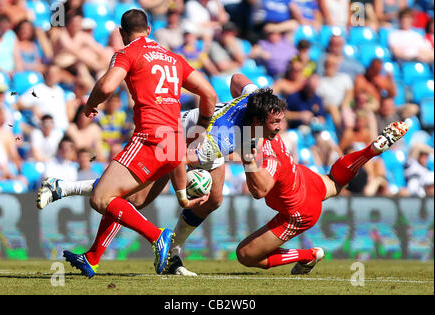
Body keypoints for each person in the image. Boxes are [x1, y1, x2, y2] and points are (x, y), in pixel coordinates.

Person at [36, 73, 286, 277]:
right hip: (181, 135)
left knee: (214, 199)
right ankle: (64, 189)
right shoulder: (221, 140)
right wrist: (182, 196)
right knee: (134, 199)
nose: (279, 127)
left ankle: (171, 254)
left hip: (207, 133)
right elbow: (178, 157)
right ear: (257, 119)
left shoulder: (254, 99)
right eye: (275, 122)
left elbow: (237, 78)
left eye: (280, 120)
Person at [37, 9, 216, 277]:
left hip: (150, 138)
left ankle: (158, 237)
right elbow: (209, 94)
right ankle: (93, 256)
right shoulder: (173, 58)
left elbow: (108, 86)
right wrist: (199, 131)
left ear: (122, 33)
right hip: (174, 143)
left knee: (101, 199)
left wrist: (90, 104)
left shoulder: (127, 52)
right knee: (125, 201)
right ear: (149, 29)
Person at [235, 104, 409, 274]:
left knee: (246, 254)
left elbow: (258, 191)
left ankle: (308, 255)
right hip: (306, 180)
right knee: (335, 182)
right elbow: (238, 81)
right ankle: (369, 152)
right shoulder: (267, 133)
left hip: (299, 210)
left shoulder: (268, 159)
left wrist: (248, 162)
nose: (279, 126)